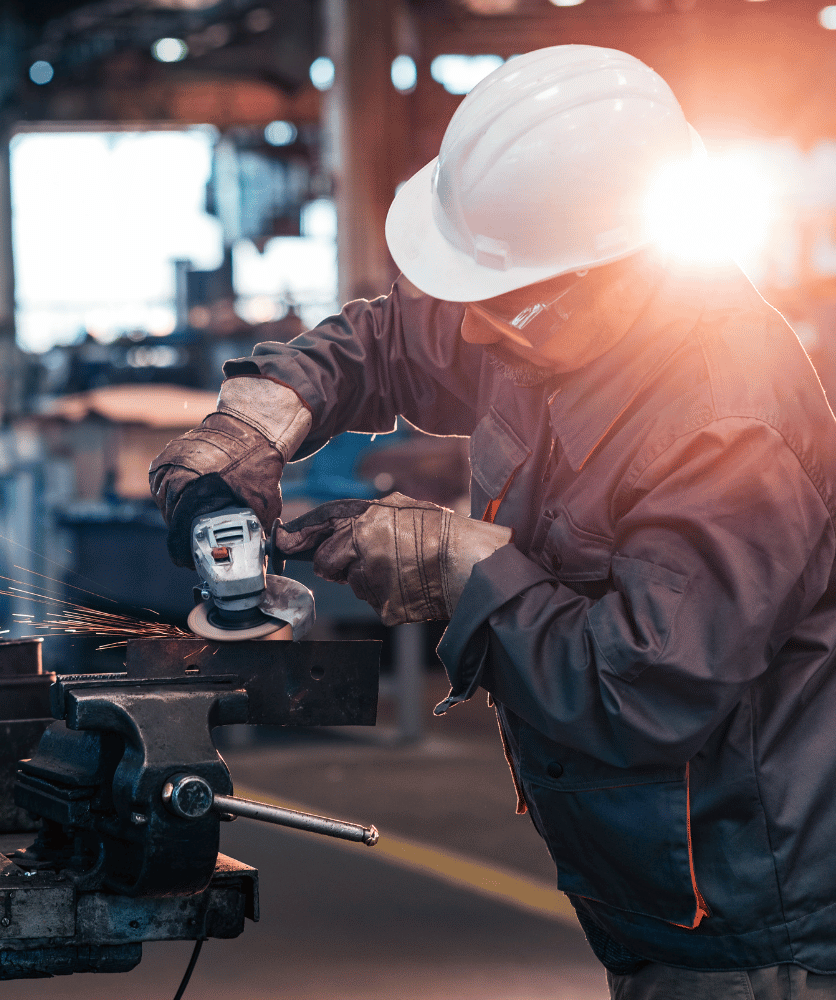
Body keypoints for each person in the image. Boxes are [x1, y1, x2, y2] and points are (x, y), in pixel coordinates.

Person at [150, 45, 836, 999]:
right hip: (646, 895)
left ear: (616, 271)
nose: (473, 330)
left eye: (499, 306)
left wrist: (457, 569)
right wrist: (256, 421)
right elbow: (391, 335)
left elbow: (638, 692)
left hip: (753, 935)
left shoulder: (726, 429)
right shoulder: (547, 321)